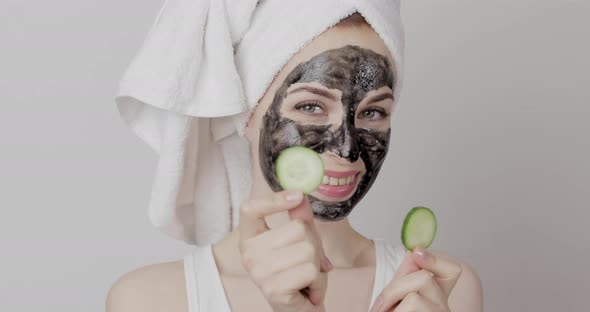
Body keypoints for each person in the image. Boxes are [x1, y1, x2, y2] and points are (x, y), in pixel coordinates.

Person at [107, 1, 483, 311]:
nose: (347, 148)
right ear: (249, 116)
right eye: (311, 107)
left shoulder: (438, 289)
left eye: (373, 112)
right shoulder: (150, 300)